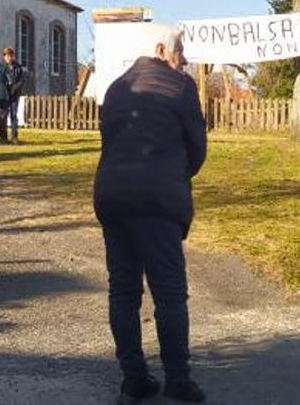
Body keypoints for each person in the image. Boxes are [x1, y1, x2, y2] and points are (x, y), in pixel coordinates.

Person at [94, 26, 208, 404]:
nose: (184, 60)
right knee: (170, 293)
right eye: (180, 52)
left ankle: (133, 378)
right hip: (157, 200)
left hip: (113, 197)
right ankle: (177, 379)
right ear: (161, 49)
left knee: (123, 290)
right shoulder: (180, 87)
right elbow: (197, 148)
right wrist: (174, 174)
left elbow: (109, 140)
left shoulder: (114, 88)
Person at [1, 47, 27, 144]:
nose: (9, 58)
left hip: (15, 94)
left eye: (11, 56)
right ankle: (3, 138)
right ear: (4, 57)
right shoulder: (2, 67)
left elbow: (21, 81)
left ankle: (14, 137)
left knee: (14, 115)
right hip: (4, 94)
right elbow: (0, 80)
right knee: (3, 116)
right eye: (7, 56)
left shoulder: (18, 67)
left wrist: (14, 88)